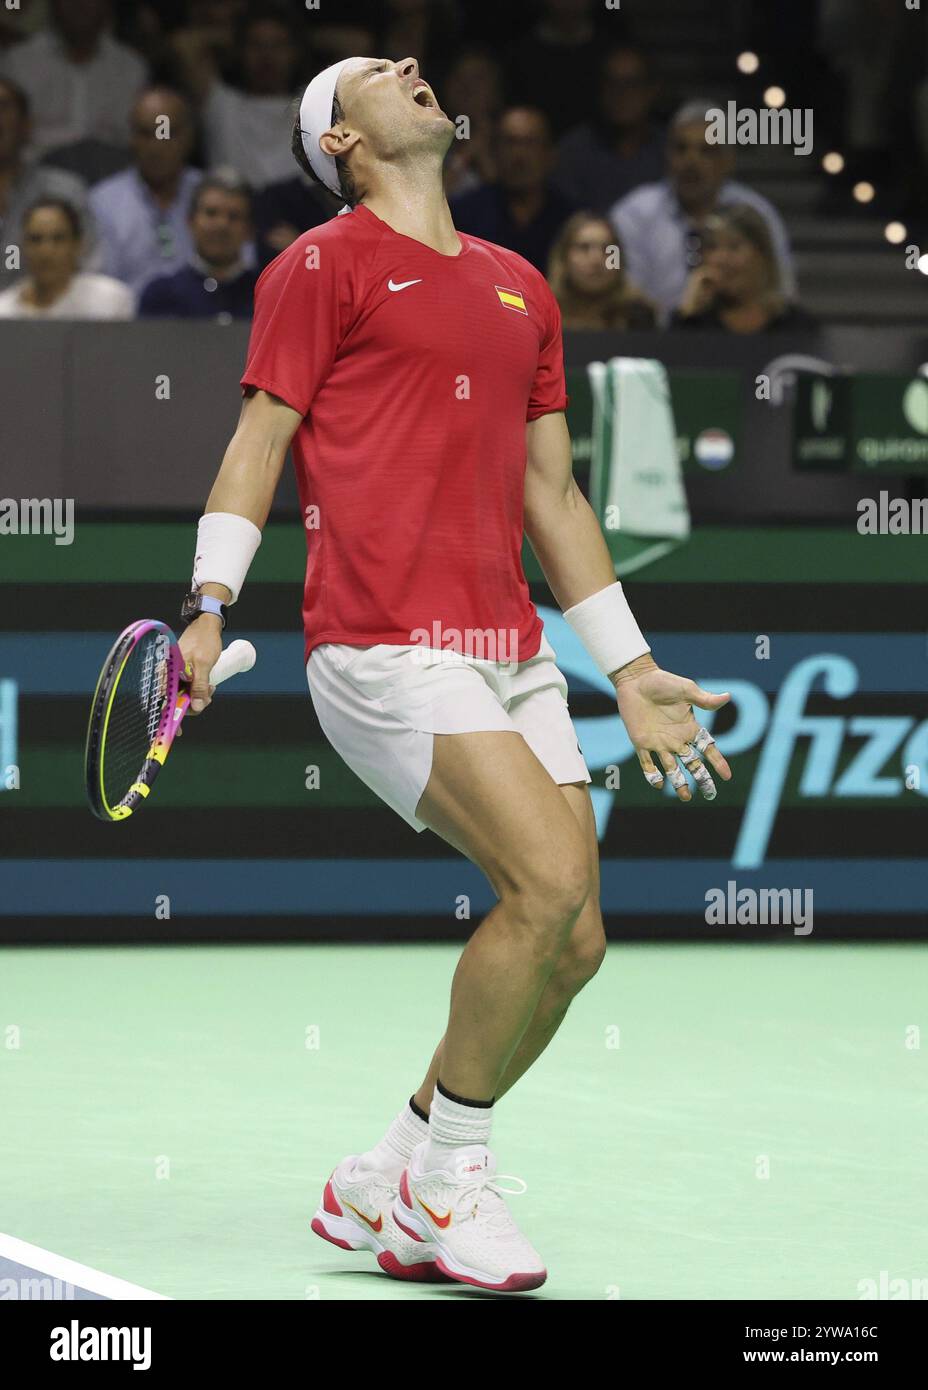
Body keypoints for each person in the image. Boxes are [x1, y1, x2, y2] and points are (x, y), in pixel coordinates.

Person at [176, 55, 731, 1294]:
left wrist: (629, 666)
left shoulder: (520, 284)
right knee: (541, 885)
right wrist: (208, 606)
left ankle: (385, 1167)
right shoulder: (318, 266)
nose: (412, 70)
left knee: (576, 938)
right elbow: (256, 443)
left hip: (512, 649)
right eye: (379, 73)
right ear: (343, 144)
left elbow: (553, 491)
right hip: (379, 642)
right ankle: (449, 1181)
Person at [609, 100, 795, 322]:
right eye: (681, 149)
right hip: (649, 340)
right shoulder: (633, 214)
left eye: (707, 150)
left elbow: (781, 290)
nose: (691, 161)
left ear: (728, 160)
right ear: (666, 155)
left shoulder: (756, 214)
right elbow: (619, 293)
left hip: (744, 340)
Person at [171, 3, 302, 190]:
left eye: (278, 45)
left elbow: (357, 48)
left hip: (298, 215)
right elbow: (184, 44)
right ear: (240, 51)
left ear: (294, 52)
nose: (267, 56)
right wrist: (234, 37)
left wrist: (307, 38)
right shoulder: (222, 104)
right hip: (231, 211)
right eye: (256, 45)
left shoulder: (310, 104)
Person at [90, 87, 201, 297]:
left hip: (205, 322)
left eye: (167, 133)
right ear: (131, 139)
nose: (156, 146)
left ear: (189, 138)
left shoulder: (212, 195)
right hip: (126, 324)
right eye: (145, 134)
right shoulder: (102, 202)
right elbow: (99, 286)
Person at [0, 0, 148, 157]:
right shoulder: (17, 63)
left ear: (109, 5)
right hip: (35, 172)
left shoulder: (131, 69)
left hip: (110, 174)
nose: (79, 4)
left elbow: (139, 139)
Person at [450, 107, 575, 273]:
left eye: (530, 143)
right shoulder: (462, 216)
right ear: (494, 152)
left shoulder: (570, 221)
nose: (519, 155)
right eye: (510, 142)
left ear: (550, 154)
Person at [0, 76, 95, 288]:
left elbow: (89, 265)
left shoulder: (65, 190)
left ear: (26, 125)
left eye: (3, 107)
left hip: (53, 316)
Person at [671, 203, 817, 334]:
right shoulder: (693, 324)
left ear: (761, 255)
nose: (721, 259)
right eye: (712, 247)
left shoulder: (797, 326)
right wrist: (687, 311)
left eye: (734, 247)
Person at [553, 45, 665, 213]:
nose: (621, 93)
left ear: (652, 90)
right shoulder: (572, 151)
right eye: (612, 83)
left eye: (631, 83)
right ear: (600, 89)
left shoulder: (670, 150)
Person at [139, 173, 257, 319]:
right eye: (211, 213)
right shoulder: (161, 295)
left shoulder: (266, 294)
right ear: (190, 221)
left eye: (234, 216)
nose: (221, 225)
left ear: (250, 230)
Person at [0, 197, 132, 318]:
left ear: (78, 245)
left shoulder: (111, 300)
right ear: (22, 246)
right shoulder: (4, 311)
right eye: (35, 239)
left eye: (58, 239)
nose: (46, 251)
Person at [548, 211, 656, 331]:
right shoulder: (545, 312)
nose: (597, 260)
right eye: (584, 247)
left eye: (607, 249)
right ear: (563, 258)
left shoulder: (640, 316)